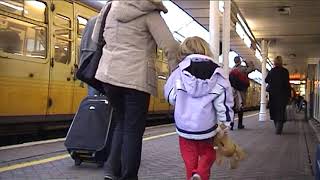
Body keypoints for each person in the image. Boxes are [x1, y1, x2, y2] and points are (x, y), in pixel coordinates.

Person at [93, 1, 179, 179]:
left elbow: (95, 38)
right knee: (133, 130)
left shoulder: (110, 8)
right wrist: (175, 74)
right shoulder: (149, 12)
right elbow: (170, 46)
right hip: (136, 79)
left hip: (109, 76)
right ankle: (129, 176)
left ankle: (111, 171)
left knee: (121, 123)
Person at [164, 36, 234, 180]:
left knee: (190, 159)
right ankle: (201, 174)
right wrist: (224, 125)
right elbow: (223, 103)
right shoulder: (219, 73)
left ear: (184, 51)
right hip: (207, 128)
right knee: (208, 154)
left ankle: (193, 175)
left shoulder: (178, 71)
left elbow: (171, 96)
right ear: (205, 49)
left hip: (184, 127)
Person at [265, 56, 291, 135]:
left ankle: (277, 126)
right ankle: (279, 126)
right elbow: (287, 84)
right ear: (281, 62)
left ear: (274, 62)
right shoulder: (285, 71)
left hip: (273, 95)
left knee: (274, 110)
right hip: (283, 95)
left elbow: (266, 80)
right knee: (281, 110)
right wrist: (289, 95)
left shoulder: (272, 71)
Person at [230, 56, 255, 130]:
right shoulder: (243, 69)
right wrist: (247, 62)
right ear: (240, 61)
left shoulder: (232, 69)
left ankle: (231, 124)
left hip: (233, 90)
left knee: (233, 107)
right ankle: (240, 125)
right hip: (241, 90)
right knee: (240, 106)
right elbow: (252, 69)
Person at [78, 16, 100, 96]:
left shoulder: (91, 21)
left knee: (92, 94)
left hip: (88, 62)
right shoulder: (108, 19)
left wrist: (80, 66)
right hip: (98, 61)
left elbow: (82, 46)